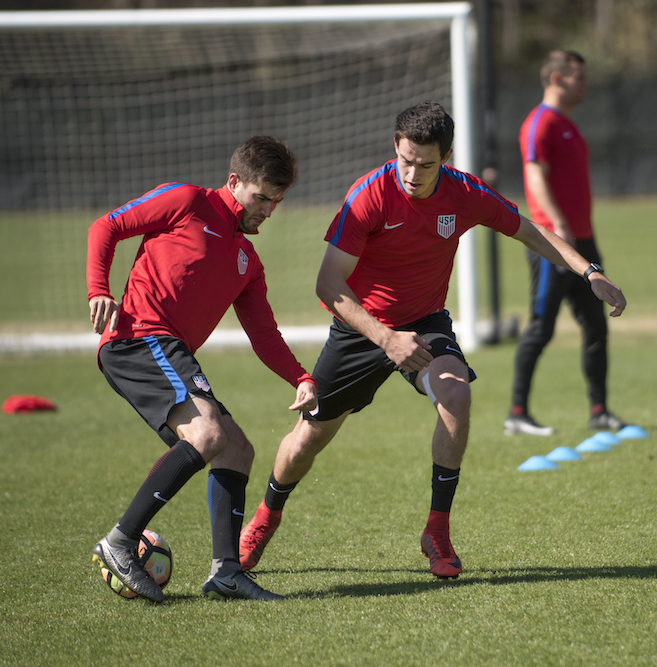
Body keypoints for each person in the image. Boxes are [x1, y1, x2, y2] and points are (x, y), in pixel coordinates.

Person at [239, 101, 626, 579]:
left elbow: (529, 231)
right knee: (307, 442)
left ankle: (437, 531)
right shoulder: (368, 195)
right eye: (405, 159)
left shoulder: (464, 192)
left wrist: (588, 272)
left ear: (445, 157)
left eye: (425, 164)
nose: (412, 173)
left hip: (425, 322)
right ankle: (266, 515)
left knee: (456, 393)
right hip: (361, 327)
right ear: (394, 148)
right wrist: (385, 338)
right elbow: (328, 284)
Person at [87, 136, 318, 603]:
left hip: (169, 350)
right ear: (234, 182)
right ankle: (120, 541)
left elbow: (264, 334)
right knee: (209, 435)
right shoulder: (187, 201)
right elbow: (106, 226)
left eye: (277, 201)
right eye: (261, 198)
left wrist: (301, 376)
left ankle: (226, 573)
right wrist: (98, 288)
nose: (268, 211)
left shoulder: (248, 262)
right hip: (138, 339)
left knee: (236, 451)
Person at [503, 50, 627, 436]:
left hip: (584, 243)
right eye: (579, 77)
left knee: (597, 325)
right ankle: (517, 414)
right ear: (557, 79)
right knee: (541, 327)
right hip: (553, 244)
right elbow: (534, 175)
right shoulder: (539, 123)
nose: (585, 84)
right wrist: (556, 222)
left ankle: (600, 411)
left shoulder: (566, 124)